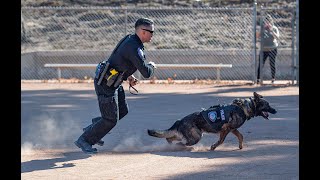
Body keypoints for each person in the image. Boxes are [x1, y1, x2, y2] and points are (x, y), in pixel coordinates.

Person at [74, 17, 157, 153]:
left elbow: (119, 62)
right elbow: (146, 72)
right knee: (110, 120)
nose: (153, 35)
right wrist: (152, 66)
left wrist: (129, 77)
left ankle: (94, 128)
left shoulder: (131, 41)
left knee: (122, 111)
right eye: (151, 32)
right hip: (106, 85)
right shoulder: (134, 47)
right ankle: (84, 140)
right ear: (142, 31)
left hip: (114, 82)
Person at [256, 14, 280, 84]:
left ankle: (273, 78)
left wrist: (271, 31)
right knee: (261, 64)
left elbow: (277, 37)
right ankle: (258, 79)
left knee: (272, 64)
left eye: (269, 21)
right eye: (266, 21)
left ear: (271, 21)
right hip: (263, 49)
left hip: (272, 49)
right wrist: (261, 29)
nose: (267, 23)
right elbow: (257, 36)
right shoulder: (262, 28)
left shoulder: (274, 28)